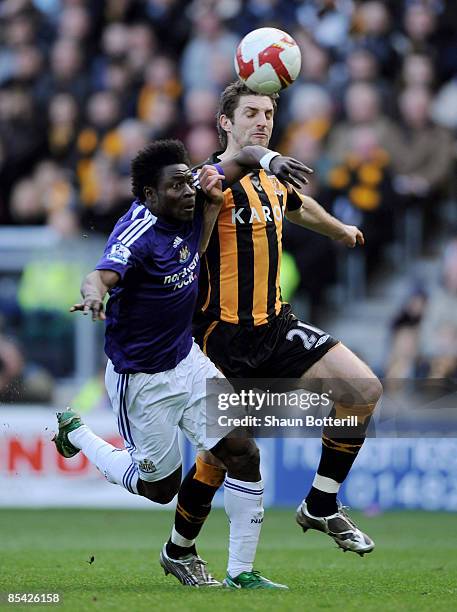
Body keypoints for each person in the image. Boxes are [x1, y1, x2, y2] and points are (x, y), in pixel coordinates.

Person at [54, 138, 311, 589]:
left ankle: (241, 572)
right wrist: (94, 295)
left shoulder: (197, 190)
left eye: (188, 181)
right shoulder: (137, 231)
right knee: (160, 489)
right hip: (142, 380)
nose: (189, 191)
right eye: (176, 187)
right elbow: (100, 275)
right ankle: (78, 432)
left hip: (188, 360)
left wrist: (273, 160)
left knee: (243, 452)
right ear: (150, 196)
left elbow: (246, 155)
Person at [168, 80, 382, 563]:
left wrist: (341, 231)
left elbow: (298, 206)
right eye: (250, 113)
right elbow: (187, 252)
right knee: (221, 459)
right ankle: (178, 549)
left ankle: (321, 503)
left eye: (267, 113)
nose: (262, 121)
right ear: (225, 122)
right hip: (222, 339)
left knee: (363, 389)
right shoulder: (207, 179)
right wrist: (210, 209)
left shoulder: (273, 176)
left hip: (277, 327)